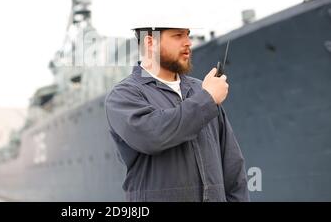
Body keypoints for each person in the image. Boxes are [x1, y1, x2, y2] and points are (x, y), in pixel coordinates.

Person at [104, 20, 250, 202]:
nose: (188, 42)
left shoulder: (201, 90)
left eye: (188, 34)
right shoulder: (123, 96)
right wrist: (207, 99)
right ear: (150, 43)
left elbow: (233, 167)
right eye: (178, 35)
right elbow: (153, 136)